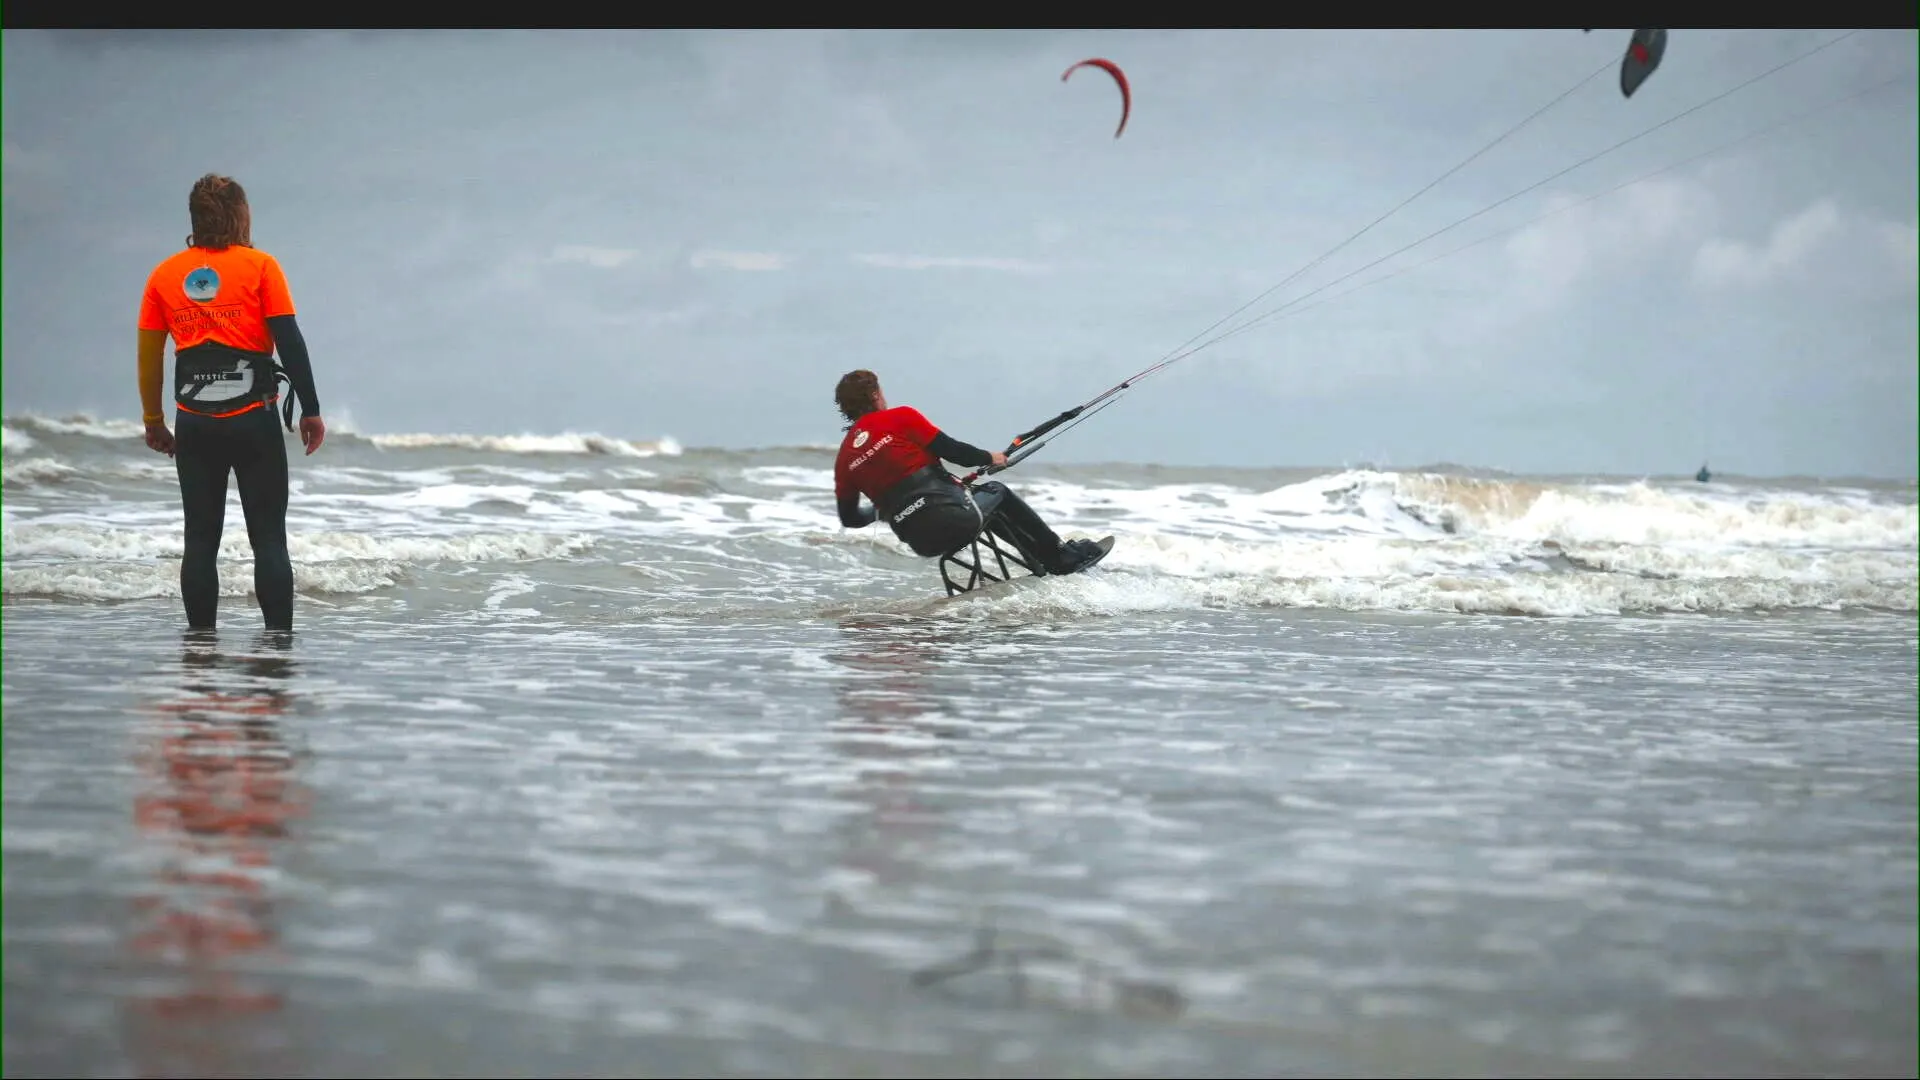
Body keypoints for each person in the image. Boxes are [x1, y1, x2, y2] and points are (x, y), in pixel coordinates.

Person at [137, 173, 325, 633]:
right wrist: (311, 409)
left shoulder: (164, 275)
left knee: (199, 541)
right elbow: (289, 341)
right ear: (242, 214)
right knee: (269, 541)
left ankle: (201, 646)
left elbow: (148, 356)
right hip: (254, 419)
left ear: (196, 218)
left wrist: (154, 420)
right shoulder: (261, 266)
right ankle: (278, 645)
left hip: (196, 422)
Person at [830, 369, 1105, 576]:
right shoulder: (899, 417)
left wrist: (888, 509)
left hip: (922, 541)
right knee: (996, 491)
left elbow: (850, 518)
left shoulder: (844, 458)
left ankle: (1044, 560)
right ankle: (1060, 556)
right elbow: (954, 452)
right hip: (955, 519)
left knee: (983, 503)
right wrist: (992, 458)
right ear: (876, 394)